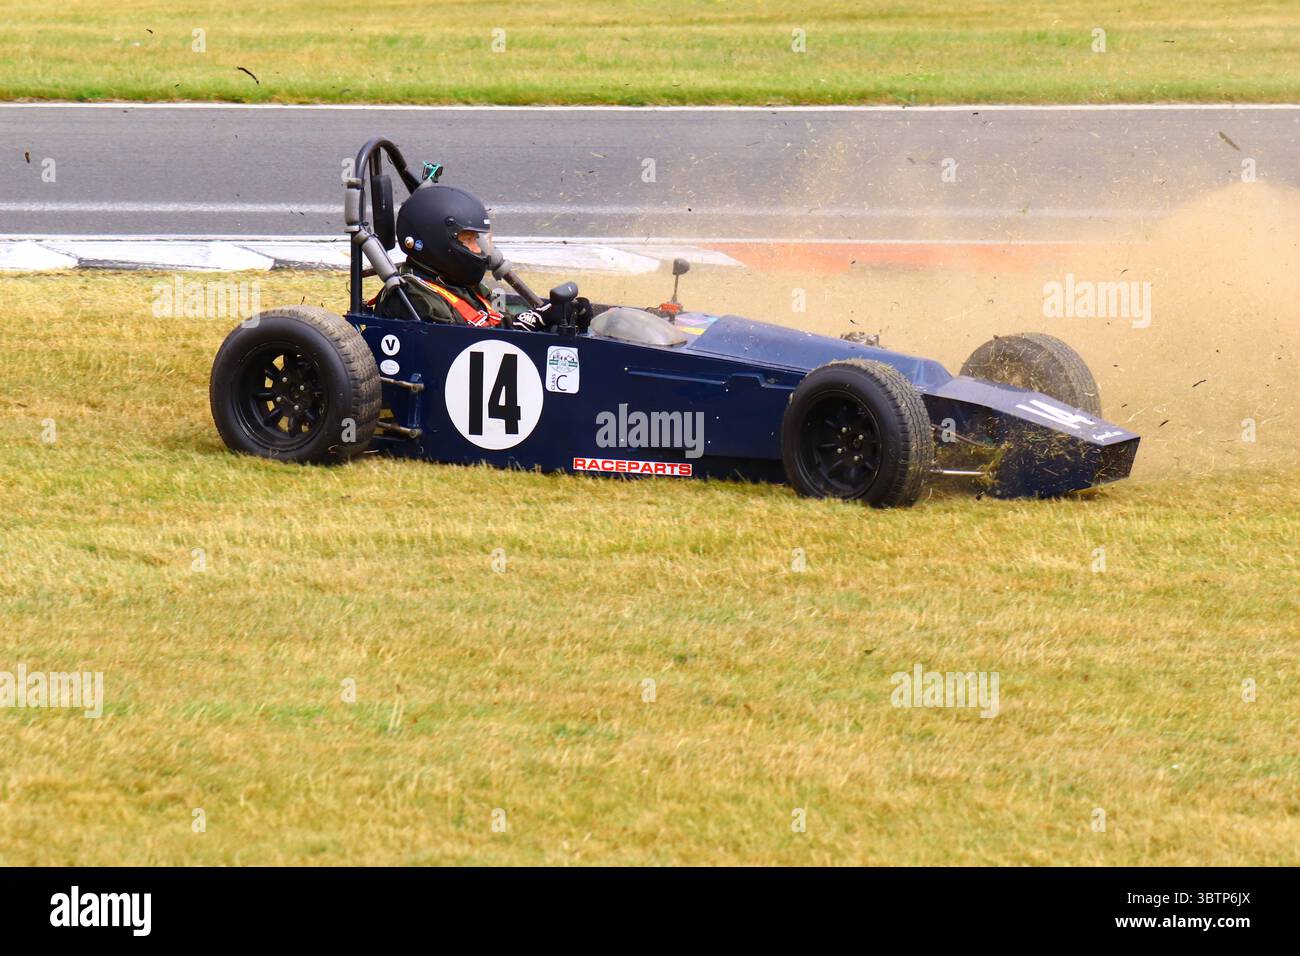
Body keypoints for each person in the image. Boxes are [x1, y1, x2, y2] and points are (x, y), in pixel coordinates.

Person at [375, 183, 577, 330]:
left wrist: (555, 317)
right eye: (468, 240)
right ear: (437, 241)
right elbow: (466, 347)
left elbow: (494, 319)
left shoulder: (457, 283)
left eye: (476, 239)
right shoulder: (413, 299)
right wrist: (534, 320)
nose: (478, 249)